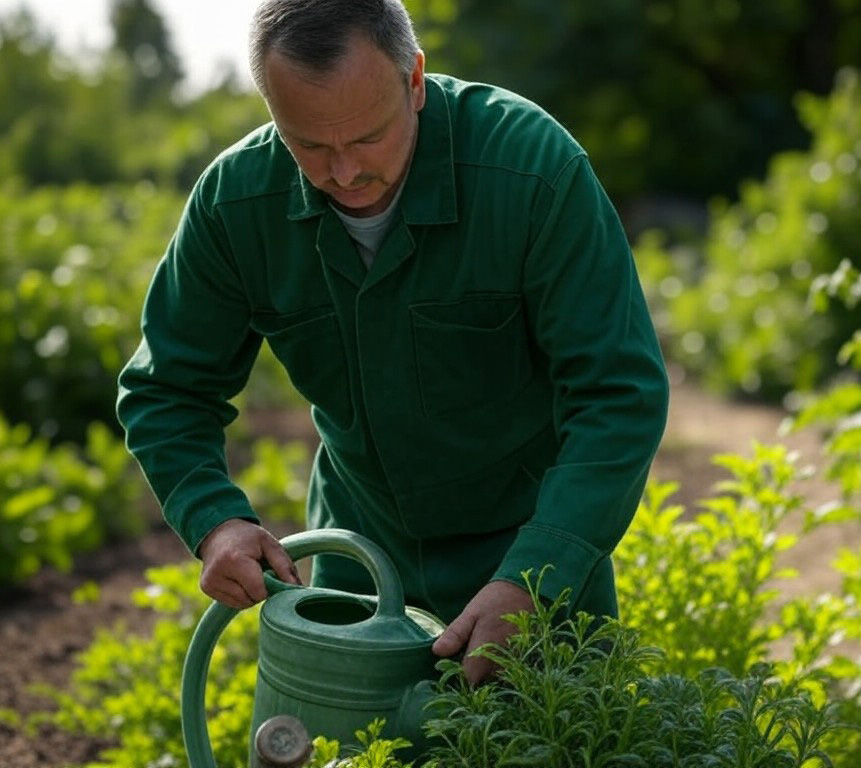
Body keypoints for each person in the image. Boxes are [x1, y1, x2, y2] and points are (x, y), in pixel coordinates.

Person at [116, 0, 669, 685]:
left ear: (414, 81)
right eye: (310, 145)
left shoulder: (532, 171)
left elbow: (618, 391)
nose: (344, 173)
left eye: (368, 138)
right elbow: (168, 388)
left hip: (529, 549)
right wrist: (213, 519)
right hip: (358, 561)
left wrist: (535, 579)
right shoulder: (235, 205)